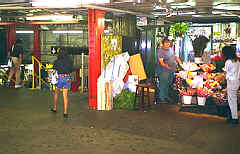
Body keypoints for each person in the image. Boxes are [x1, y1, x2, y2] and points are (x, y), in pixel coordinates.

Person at [155, 37, 182, 103]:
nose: (167, 45)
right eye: (166, 44)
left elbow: (175, 57)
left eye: (168, 44)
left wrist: (181, 63)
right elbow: (161, 62)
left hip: (171, 70)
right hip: (163, 71)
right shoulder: (160, 51)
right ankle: (161, 98)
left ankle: (166, 96)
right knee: (163, 84)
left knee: (168, 83)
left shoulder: (170, 49)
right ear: (163, 44)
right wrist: (168, 67)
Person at [51, 49, 73, 118]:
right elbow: (71, 70)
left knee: (56, 93)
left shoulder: (56, 61)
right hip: (67, 78)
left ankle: (54, 108)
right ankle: (65, 112)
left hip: (60, 78)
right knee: (65, 96)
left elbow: (54, 71)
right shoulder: (70, 61)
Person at [222, 46, 240, 124]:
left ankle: (234, 118)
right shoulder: (237, 61)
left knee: (231, 101)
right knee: (233, 100)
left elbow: (225, 73)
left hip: (231, 82)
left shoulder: (228, 61)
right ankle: (233, 116)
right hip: (237, 81)